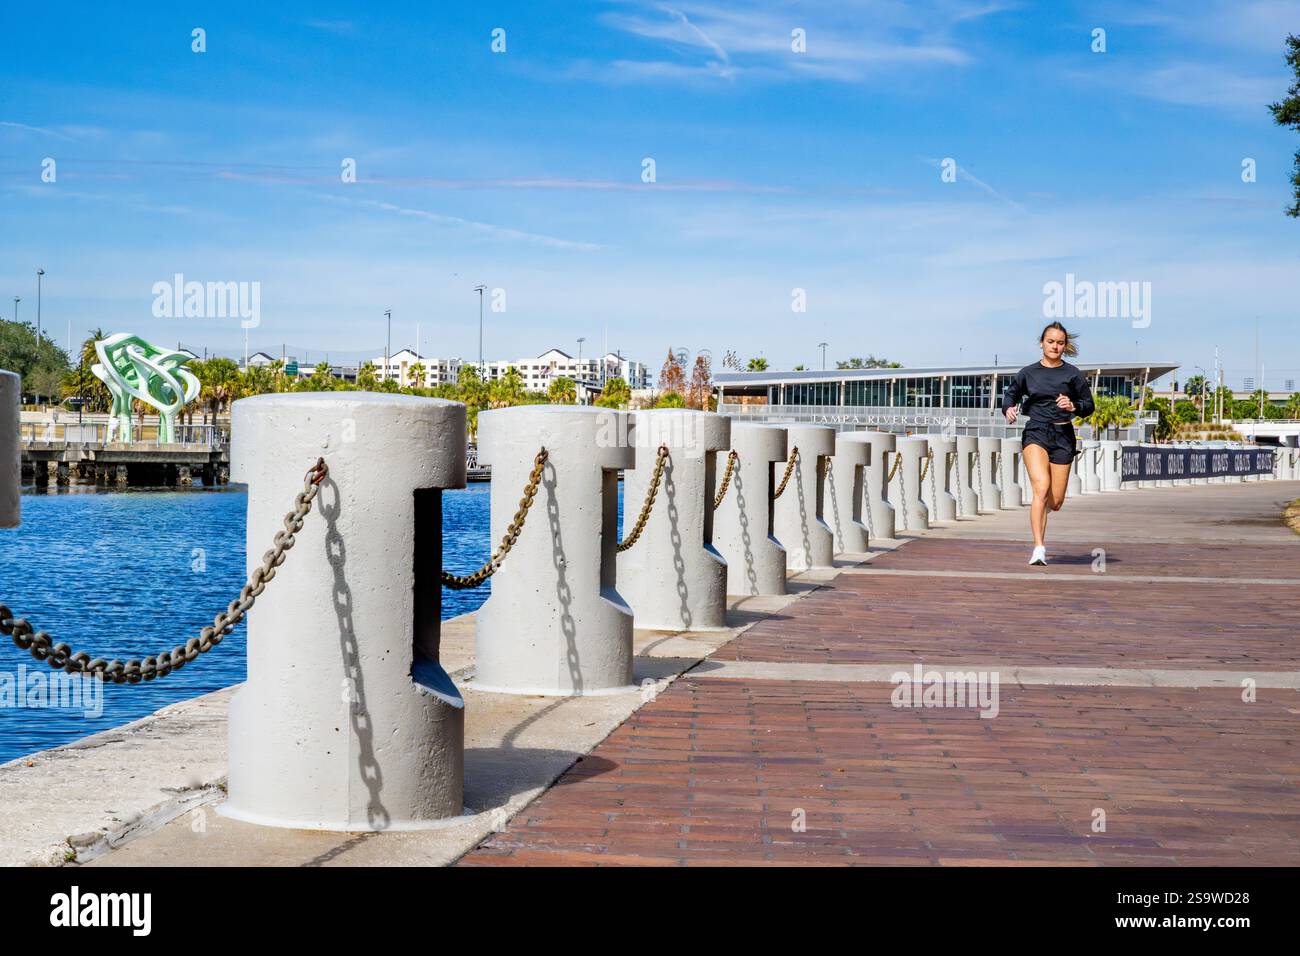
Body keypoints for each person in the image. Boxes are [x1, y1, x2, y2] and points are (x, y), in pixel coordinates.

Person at [1000, 321, 1095, 565]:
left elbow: (1089, 405)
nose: (1054, 346)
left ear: (1065, 346)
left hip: (1063, 435)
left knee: (1056, 501)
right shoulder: (1028, 373)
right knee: (1040, 488)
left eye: (1059, 343)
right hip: (1036, 432)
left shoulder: (1073, 374)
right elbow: (1011, 394)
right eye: (1050, 341)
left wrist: (1073, 406)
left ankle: (1043, 510)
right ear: (1042, 343)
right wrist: (1008, 408)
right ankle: (1039, 548)